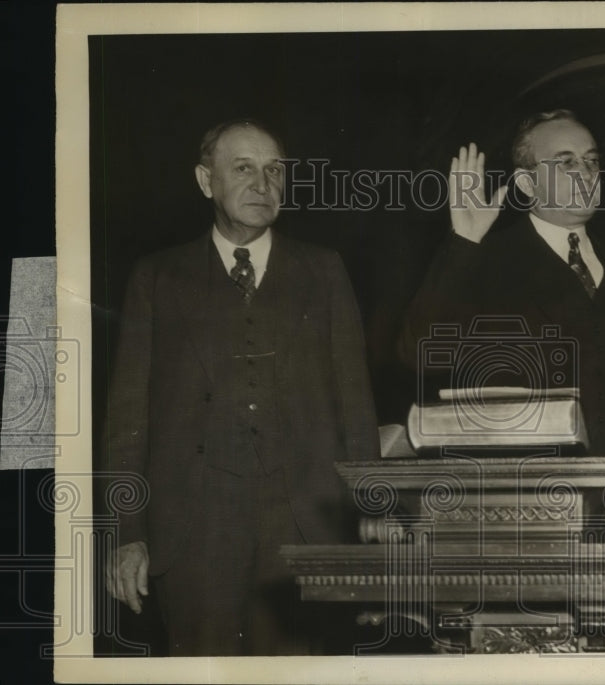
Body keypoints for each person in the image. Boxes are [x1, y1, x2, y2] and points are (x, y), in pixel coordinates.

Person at [103, 119, 380, 655]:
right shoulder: (156, 278)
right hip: (193, 530)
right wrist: (126, 532)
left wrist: (366, 520)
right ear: (206, 181)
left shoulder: (323, 271)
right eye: (244, 168)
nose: (263, 183)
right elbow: (126, 417)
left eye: (274, 170)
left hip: (307, 525)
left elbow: (356, 407)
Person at [398, 109, 605, 540]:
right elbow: (421, 349)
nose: (585, 173)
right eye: (565, 162)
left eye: (592, 161)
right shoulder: (486, 262)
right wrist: (463, 243)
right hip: (533, 517)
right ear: (526, 183)